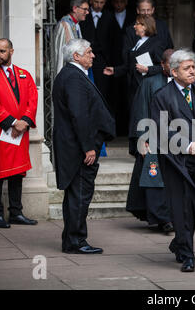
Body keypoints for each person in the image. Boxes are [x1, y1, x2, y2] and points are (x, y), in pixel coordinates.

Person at [150, 49, 195, 272]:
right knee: (182, 207)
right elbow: (160, 131)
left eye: (193, 67)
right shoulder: (162, 96)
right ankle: (188, 255)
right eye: (187, 68)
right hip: (176, 161)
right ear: (174, 71)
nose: (192, 71)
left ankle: (179, 243)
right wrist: (188, 146)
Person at [52, 39, 115, 254]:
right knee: (79, 195)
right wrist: (88, 147)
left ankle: (72, 238)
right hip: (78, 149)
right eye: (89, 52)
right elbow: (79, 115)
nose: (93, 55)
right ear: (76, 56)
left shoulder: (74, 75)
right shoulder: (73, 77)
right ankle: (75, 241)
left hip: (77, 146)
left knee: (77, 195)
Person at [0, 38, 38, 228]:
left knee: (17, 172)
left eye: (2, 51)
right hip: (1, 132)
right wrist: (13, 122)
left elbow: (32, 99)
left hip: (20, 132)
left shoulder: (24, 74)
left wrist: (25, 122)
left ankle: (16, 212)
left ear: (11, 51)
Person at [126, 49, 174, 233]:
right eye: (171, 63)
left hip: (176, 139)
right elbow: (141, 110)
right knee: (155, 179)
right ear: (162, 65)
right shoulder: (150, 83)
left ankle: (173, 215)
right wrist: (143, 139)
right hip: (153, 139)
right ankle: (163, 219)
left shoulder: (184, 84)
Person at [104, 14, 164, 118]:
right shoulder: (138, 42)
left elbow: (162, 67)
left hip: (146, 88)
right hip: (133, 87)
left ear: (144, 26)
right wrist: (115, 70)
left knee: (145, 117)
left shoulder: (156, 44)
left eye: (137, 24)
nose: (134, 26)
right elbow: (129, 66)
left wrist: (147, 69)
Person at [80, 0, 116, 108]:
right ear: (90, 0)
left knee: (102, 92)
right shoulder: (84, 14)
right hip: (85, 59)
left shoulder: (109, 17)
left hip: (103, 62)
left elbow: (113, 41)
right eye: (96, 2)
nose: (99, 5)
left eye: (102, 2)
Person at [111, 0, 136, 136]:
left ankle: (129, 132)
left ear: (126, 2)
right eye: (116, 1)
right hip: (114, 64)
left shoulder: (133, 18)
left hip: (130, 66)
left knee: (129, 98)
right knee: (113, 98)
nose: (119, 4)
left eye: (122, 1)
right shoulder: (108, 17)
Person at [53, 0, 89, 76]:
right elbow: (61, 55)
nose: (87, 12)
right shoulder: (64, 25)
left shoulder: (76, 24)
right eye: (85, 9)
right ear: (75, 8)